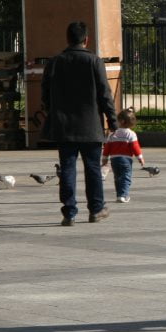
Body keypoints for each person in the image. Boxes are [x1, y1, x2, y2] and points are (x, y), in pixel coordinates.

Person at [42, 21, 118, 226]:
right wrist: (112, 120)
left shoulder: (55, 62)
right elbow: (104, 94)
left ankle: (69, 213)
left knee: (67, 168)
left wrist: (53, 111)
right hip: (90, 126)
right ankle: (96, 209)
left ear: (67, 39)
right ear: (86, 39)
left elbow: (45, 93)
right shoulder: (94, 61)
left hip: (64, 126)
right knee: (93, 169)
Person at [101, 107, 146, 203]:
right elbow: (135, 147)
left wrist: (104, 158)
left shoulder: (112, 134)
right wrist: (140, 158)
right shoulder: (131, 134)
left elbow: (107, 147)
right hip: (126, 160)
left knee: (117, 177)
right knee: (126, 177)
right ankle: (123, 195)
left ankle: (119, 195)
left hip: (114, 160)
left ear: (120, 121)